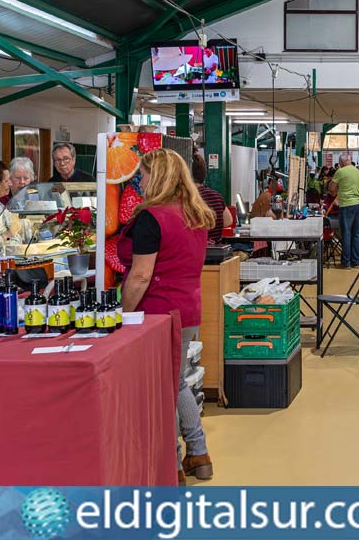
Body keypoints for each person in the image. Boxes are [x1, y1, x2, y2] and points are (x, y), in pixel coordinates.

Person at [117, 148, 216, 484]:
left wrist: (121, 315)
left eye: (142, 175)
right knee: (177, 383)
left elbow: (140, 276)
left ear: (155, 176)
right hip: (188, 308)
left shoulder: (152, 218)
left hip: (158, 311)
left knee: (165, 388)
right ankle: (198, 454)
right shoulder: (195, 214)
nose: (139, 182)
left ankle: (172, 463)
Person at [334, 155, 359, 268]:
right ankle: (356, 261)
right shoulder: (358, 172)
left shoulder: (340, 172)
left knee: (346, 234)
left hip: (346, 205)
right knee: (357, 234)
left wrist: (338, 189)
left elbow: (331, 188)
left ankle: (346, 262)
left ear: (341, 163)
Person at [192, 154, 229, 242]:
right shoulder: (216, 195)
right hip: (216, 251)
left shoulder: (187, 198)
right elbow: (228, 221)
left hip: (197, 251)